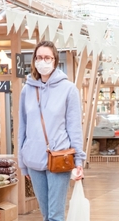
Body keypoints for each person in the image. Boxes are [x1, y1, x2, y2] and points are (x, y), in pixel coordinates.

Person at [18, 40, 86, 221]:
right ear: (34, 60)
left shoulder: (69, 89)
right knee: (46, 214)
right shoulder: (27, 90)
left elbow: (74, 127)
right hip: (33, 159)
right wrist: (21, 162)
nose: (43, 61)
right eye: (39, 57)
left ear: (55, 60)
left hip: (59, 157)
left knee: (55, 215)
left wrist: (79, 159)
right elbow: (22, 127)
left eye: (47, 57)